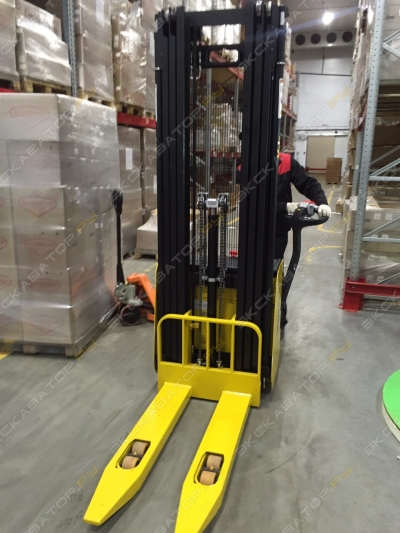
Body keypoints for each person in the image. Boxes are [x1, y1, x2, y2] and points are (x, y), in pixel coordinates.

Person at [275, 152, 331, 259]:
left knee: (275, 263)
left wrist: (322, 203)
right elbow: (252, 202)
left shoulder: (286, 162)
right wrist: (285, 207)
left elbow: (308, 184)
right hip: (251, 230)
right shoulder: (246, 165)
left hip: (278, 229)